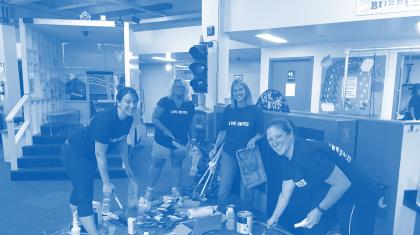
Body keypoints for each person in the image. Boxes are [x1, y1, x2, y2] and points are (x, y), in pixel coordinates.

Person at [265, 119, 377, 235]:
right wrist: (274, 217)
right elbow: (285, 194)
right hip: (331, 189)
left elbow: (343, 183)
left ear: (290, 134)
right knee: (312, 229)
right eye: (270, 139)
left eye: (278, 136)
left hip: (358, 192)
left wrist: (319, 210)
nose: (275, 143)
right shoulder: (286, 157)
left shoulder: (306, 155)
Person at [61, 87, 138, 235]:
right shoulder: (105, 120)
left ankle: (76, 222)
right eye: (128, 101)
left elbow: (122, 142)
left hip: (89, 155)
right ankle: (91, 230)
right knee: (85, 192)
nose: (132, 105)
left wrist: (127, 166)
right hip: (74, 152)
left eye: (135, 102)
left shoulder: (128, 118)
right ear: (118, 102)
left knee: (81, 187)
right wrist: (106, 183)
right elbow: (100, 154)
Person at [209, 79, 264, 208]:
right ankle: (220, 211)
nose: (238, 92)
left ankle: (245, 216)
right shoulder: (228, 110)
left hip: (248, 154)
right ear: (232, 94)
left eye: (240, 89)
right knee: (224, 185)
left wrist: (253, 140)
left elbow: (262, 132)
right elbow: (223, 132)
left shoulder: (255, 111)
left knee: (248, 187)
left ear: (246, 91)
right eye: (235, 90)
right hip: (229, 152)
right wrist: (215, 148)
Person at [143, 78, 195, 200]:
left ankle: (175, 190)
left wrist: (193, 139)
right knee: (157, 163)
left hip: (180, 141)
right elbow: (155, 118)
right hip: (162, 140)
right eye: (176, 86)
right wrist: (164, 129)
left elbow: (190, 123)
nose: (179, 89)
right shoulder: (164, 101)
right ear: (172, 88)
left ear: (185, 89)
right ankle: (149, 190)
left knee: (177, 164)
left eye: (181, 87)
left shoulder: (189, 104)